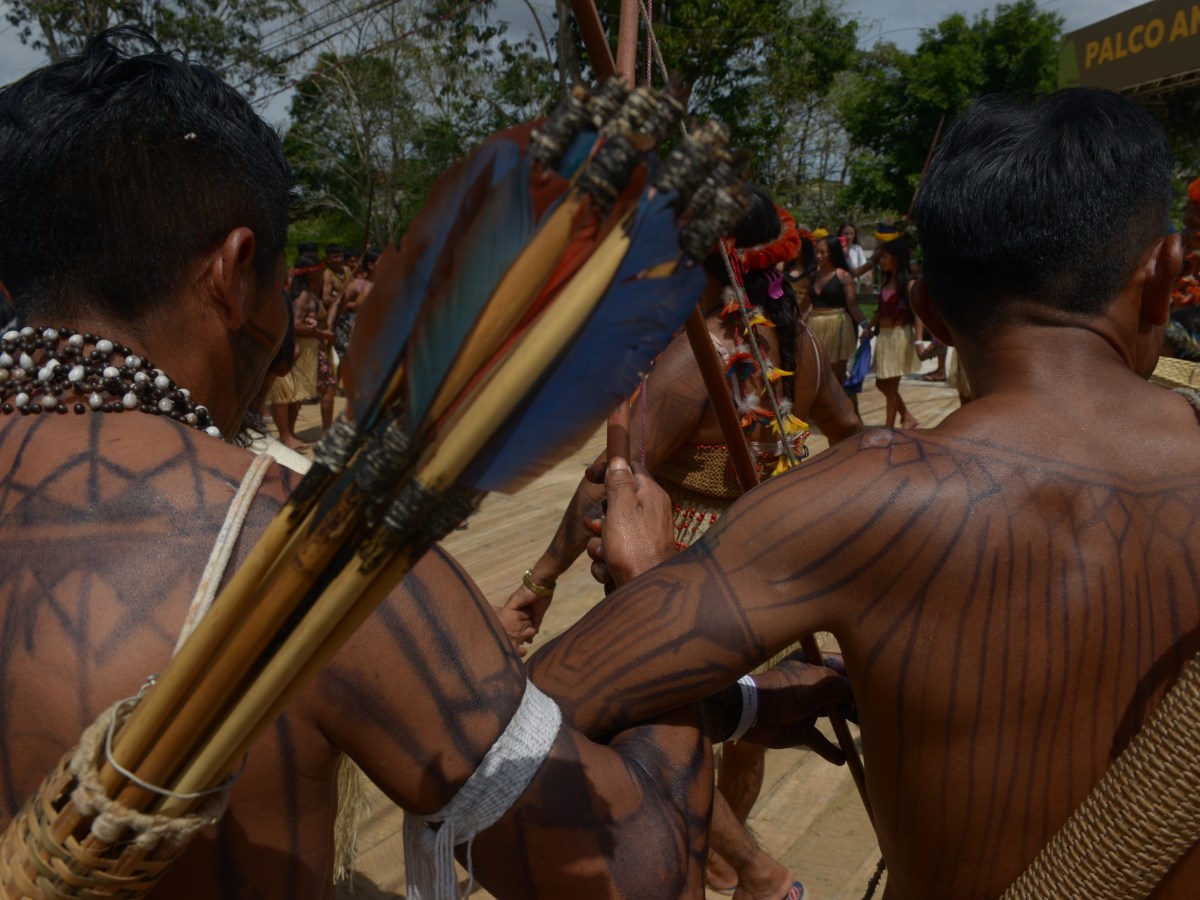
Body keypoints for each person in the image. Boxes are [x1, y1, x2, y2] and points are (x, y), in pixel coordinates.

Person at [0, 30, 847, 899]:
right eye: (286, 285)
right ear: (236, 270)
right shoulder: (316, 559)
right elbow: (636, 877)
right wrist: (652, 602)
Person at [529, 87, 1200, 898]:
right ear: (1166, 274)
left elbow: (521, 724)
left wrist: (643, 583)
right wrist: (747, 705)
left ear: (927, 311)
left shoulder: (867, 497)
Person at [506, 187, 861, 900]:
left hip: (679, 579)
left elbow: (610, 486)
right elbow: (855, 441)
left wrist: (539, 581)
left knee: (650, 719)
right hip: (769, 577)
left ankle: (743, 870)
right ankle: (730, 861)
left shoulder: (690, 362)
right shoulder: (797, 348)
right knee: (746, 723)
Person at [807, 234, 869, 407]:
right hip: (815, 325)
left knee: (838, 375)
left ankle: (851, 414)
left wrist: (866, 325)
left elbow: (853, 307)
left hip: (838, 326)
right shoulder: (813, 276)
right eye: (816, 252)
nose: (818, 256)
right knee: (818, 373)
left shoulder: (843, 276)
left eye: (822, 252)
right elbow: (806, 306)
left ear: (832, 253)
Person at [865, 238, 920, 428]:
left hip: (899, 336)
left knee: (891, 387)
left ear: (896, 259)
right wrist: (869, 327)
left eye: (885, 257)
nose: (881, 261)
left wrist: (919, 342)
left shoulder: (909, 283)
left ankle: (889, 428)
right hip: (884, 337)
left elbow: (918, 315)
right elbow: (880, 310)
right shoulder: (886, 280)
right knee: (882, 383)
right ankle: (907, 416)